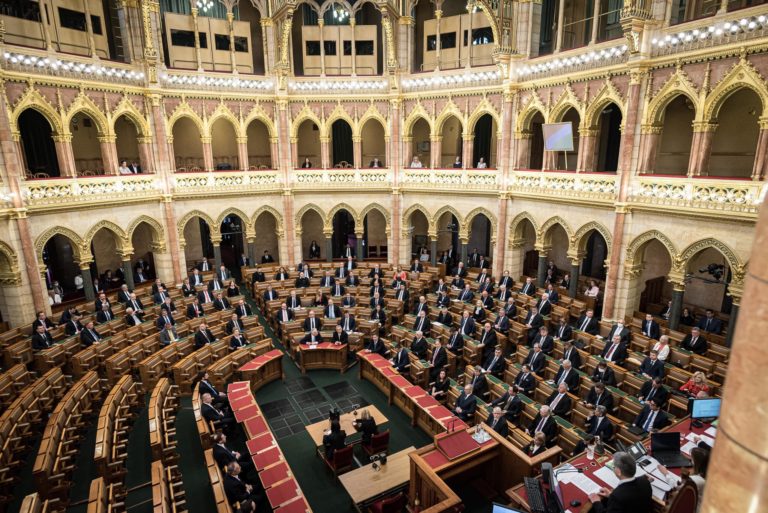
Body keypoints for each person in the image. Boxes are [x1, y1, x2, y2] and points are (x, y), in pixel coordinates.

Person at [588, 452, 652, 513]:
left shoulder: (617, 496)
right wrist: (610, 495)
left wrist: (596, 502)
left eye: (614, 467)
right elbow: (630, 502)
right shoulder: (645, 481)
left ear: (618, 472)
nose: (613, 468)